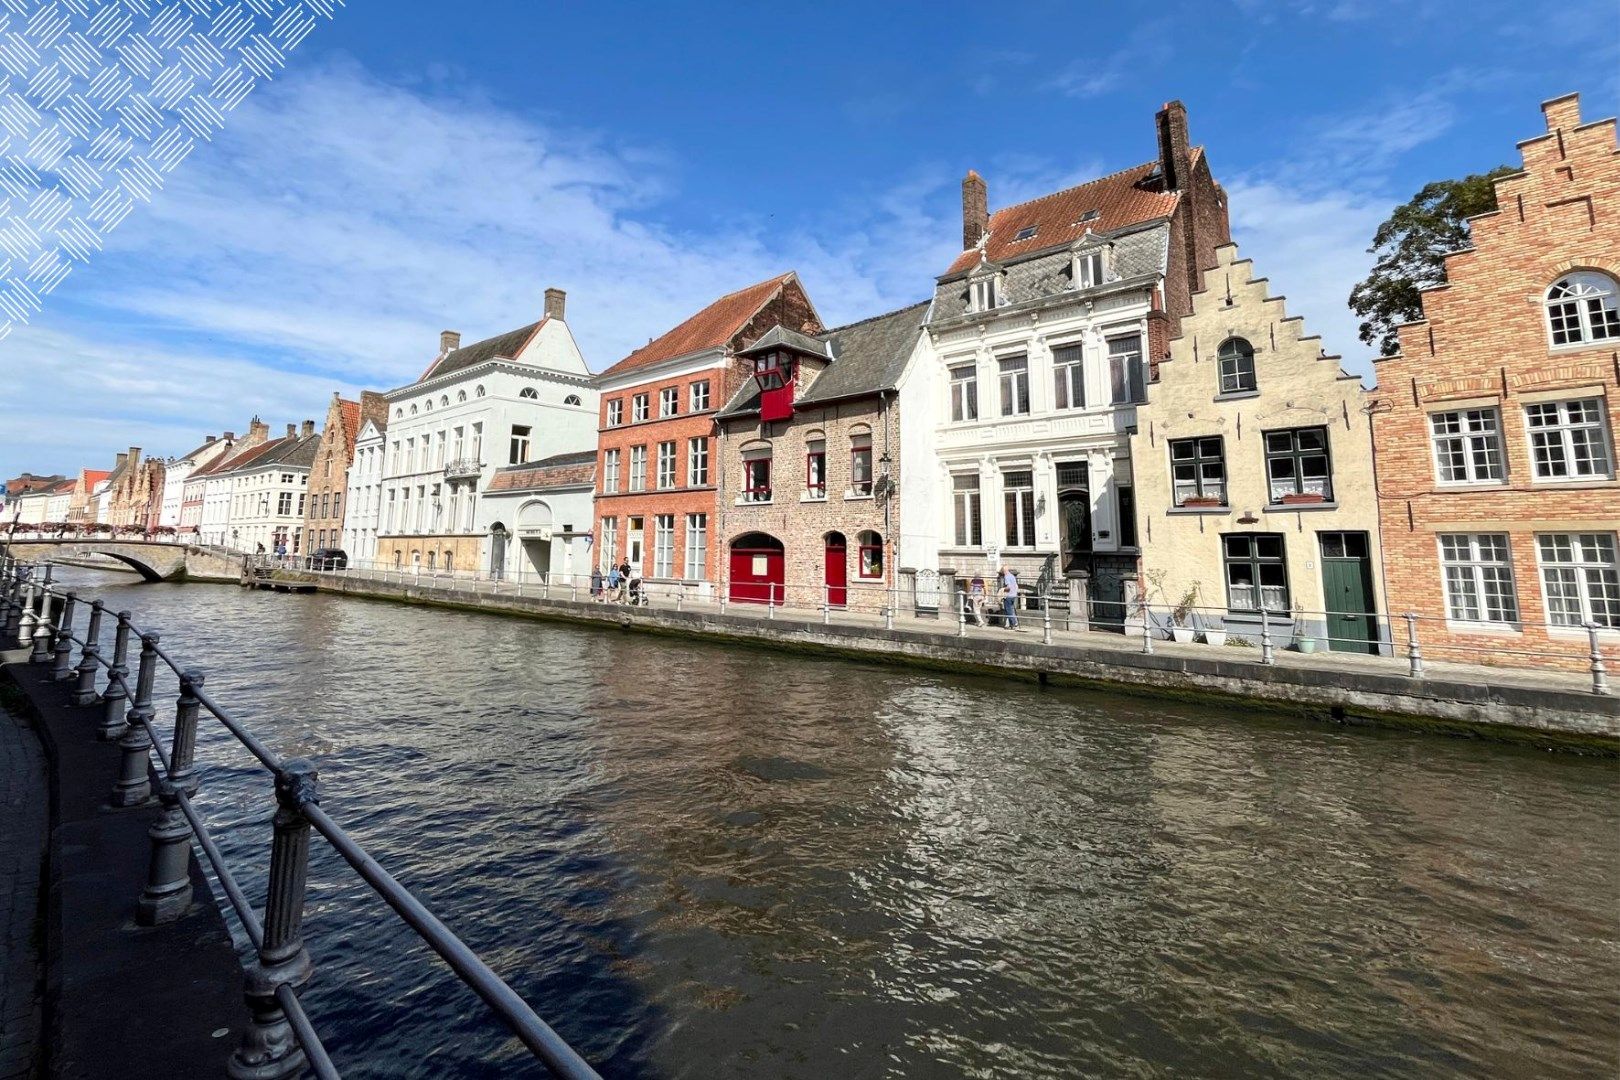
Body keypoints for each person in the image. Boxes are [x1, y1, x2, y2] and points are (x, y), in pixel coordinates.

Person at [1000, 566, 1020, 631]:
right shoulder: (1012, 576)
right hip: (1013, 595)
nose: (1002, 573)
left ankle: (1013, 624)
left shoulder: (1006, 577)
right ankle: (1011, 624)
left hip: (1008, 595)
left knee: (1008, 610)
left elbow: (1008, 587)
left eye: (1002, 571)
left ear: (1004, 571)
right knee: (1011, 610)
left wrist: (1002, 589)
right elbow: (1016, 586)